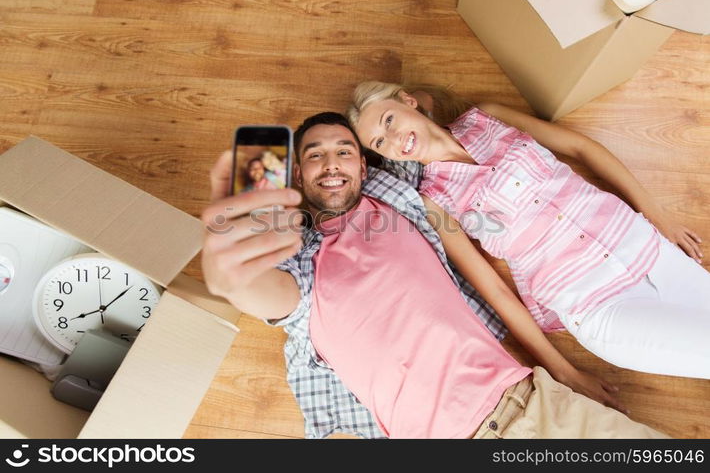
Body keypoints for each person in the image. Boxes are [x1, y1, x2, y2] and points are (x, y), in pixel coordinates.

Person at [201, 111, 666, 438]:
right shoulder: (303, 261)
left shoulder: (406, 199)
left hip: (542, 406)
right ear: (298, 175)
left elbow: (413, 113)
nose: (331, 164)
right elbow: (273, 296)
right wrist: (233, 280)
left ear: (363, 165)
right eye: (315, 156)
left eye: (343, 151)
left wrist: (564, 373)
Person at [347, 81, 710, 380]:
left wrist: (659, 216)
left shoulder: (488, 116)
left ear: (409, 102)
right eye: (379, 142)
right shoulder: (433, 201)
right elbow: (494, 289)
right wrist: (563, 371)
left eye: (389, 121)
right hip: (597, 304)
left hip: (649, 248)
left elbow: (580, 147)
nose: (393, 140)